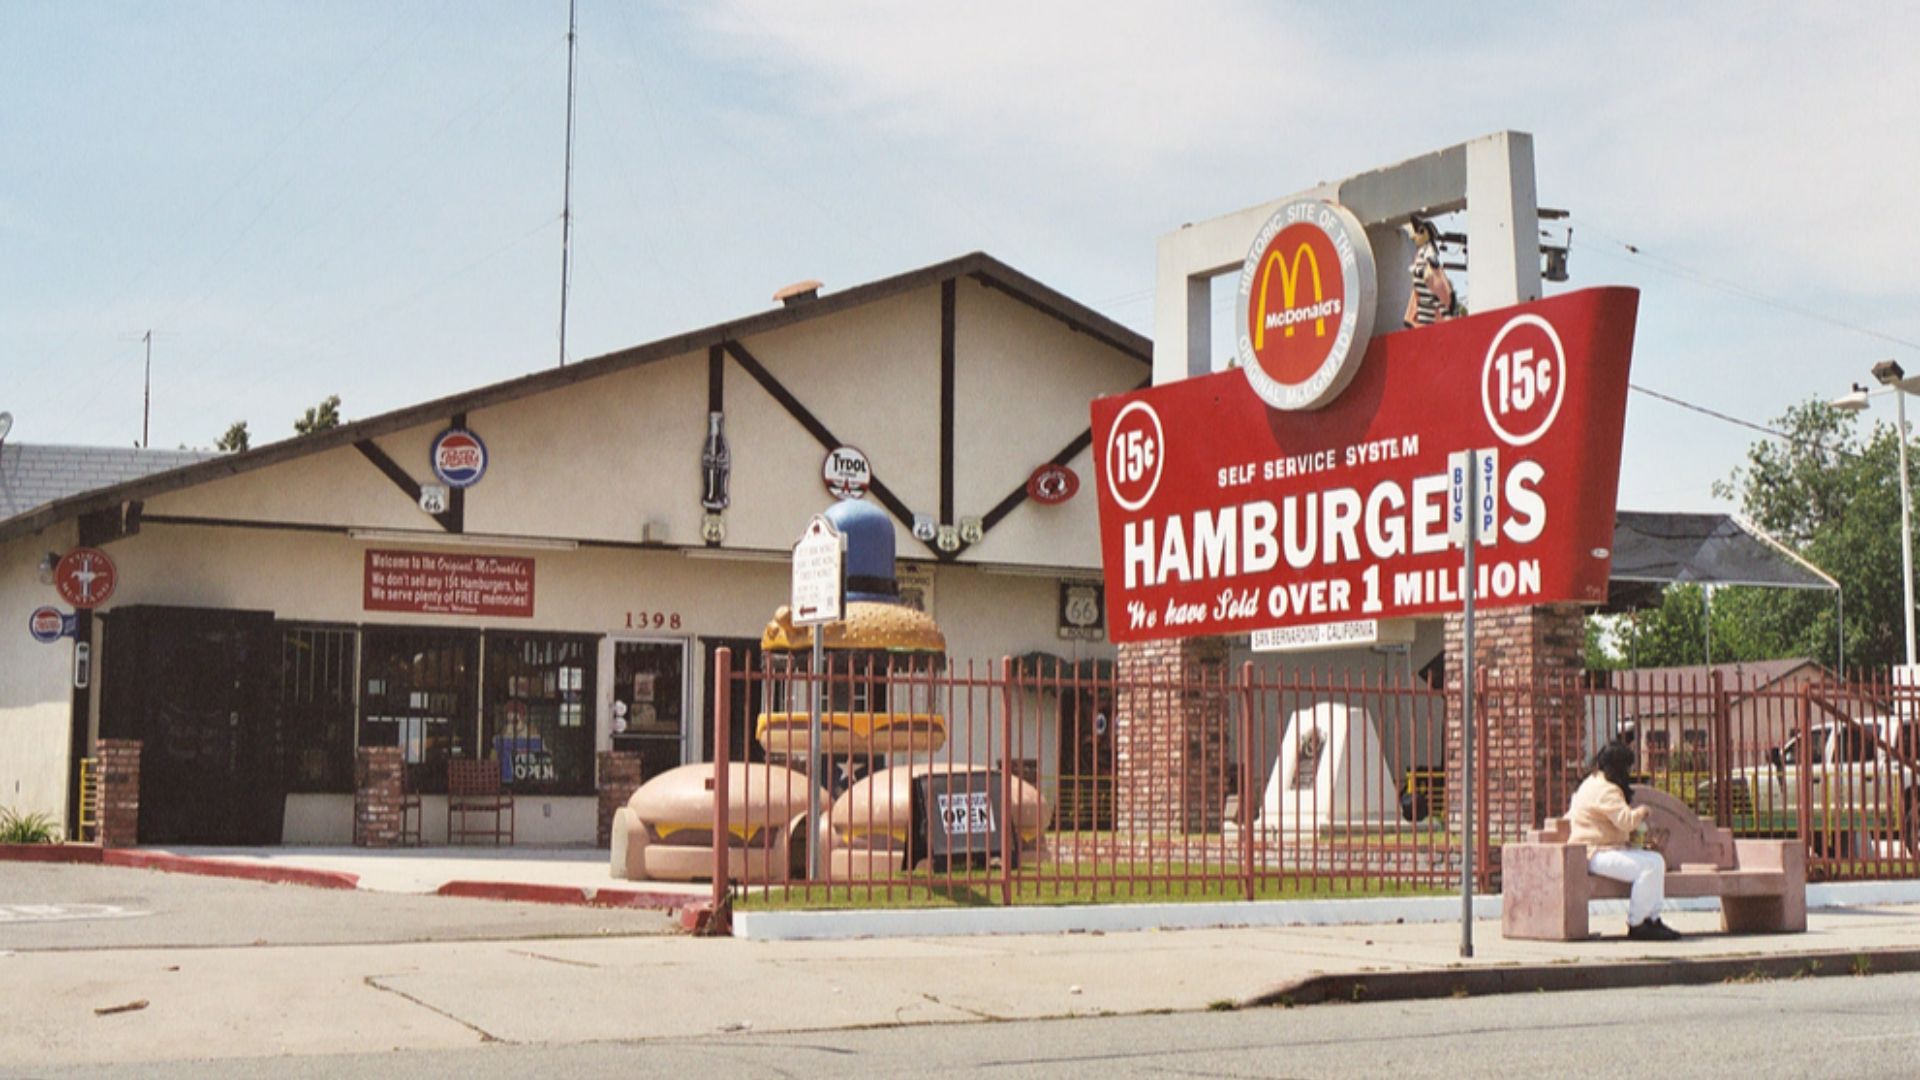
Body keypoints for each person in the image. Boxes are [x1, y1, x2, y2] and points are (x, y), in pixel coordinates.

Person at [1566, 740, 1682, 941]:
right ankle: (1638, 923)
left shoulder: (1591, 782)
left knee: (1655, 862)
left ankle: (1652, 919)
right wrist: (1643, 811)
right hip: (1596, 853)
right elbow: (1625, 821)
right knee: (1648, 866)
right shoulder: (1606, 790)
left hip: (1596, 851)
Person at [1401, 215, 1457, 329]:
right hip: (1423, 289)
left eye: (1417, 233)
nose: (1413, 237)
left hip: (1427, 287)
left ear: (1424, 233)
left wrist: (1423, 270)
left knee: (1428, 307)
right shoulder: (1422, 252)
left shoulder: (1428, 251)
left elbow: (1431, 263)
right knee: (1422, 307)